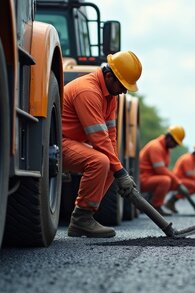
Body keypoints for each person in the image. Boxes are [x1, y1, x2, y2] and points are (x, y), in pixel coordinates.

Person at [61, 50, 142, 238]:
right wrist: (121, 172)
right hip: (57, 143)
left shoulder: (110, 96)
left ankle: (84, 218)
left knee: (110, 162)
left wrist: (118, 170)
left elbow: (110, 136)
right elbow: (98, 138)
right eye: (122, 85)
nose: (124, 91)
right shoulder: (87, 91)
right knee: (101, 162)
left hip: (72, 142)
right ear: (108, 76)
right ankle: (81, 218)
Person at [139, 125, 189, 216]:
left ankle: (152, 200)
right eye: (176, 143)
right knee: (166, 180)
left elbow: (164, 170)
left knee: (171, 180)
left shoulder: (166, 149)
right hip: (142, 179)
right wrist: (178, 183)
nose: (176, 146)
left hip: (151, 178)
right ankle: (156, 207)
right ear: (169, 138)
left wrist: (178, 183)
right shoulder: (156, 146)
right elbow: (160, 170)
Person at [165, 141, 195, 214]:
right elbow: (189, 174)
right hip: (176, 181)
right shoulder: (188, 159)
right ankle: (172, 200)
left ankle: (172, 201)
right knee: (194, 185)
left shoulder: (192, 159)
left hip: (181, 180)